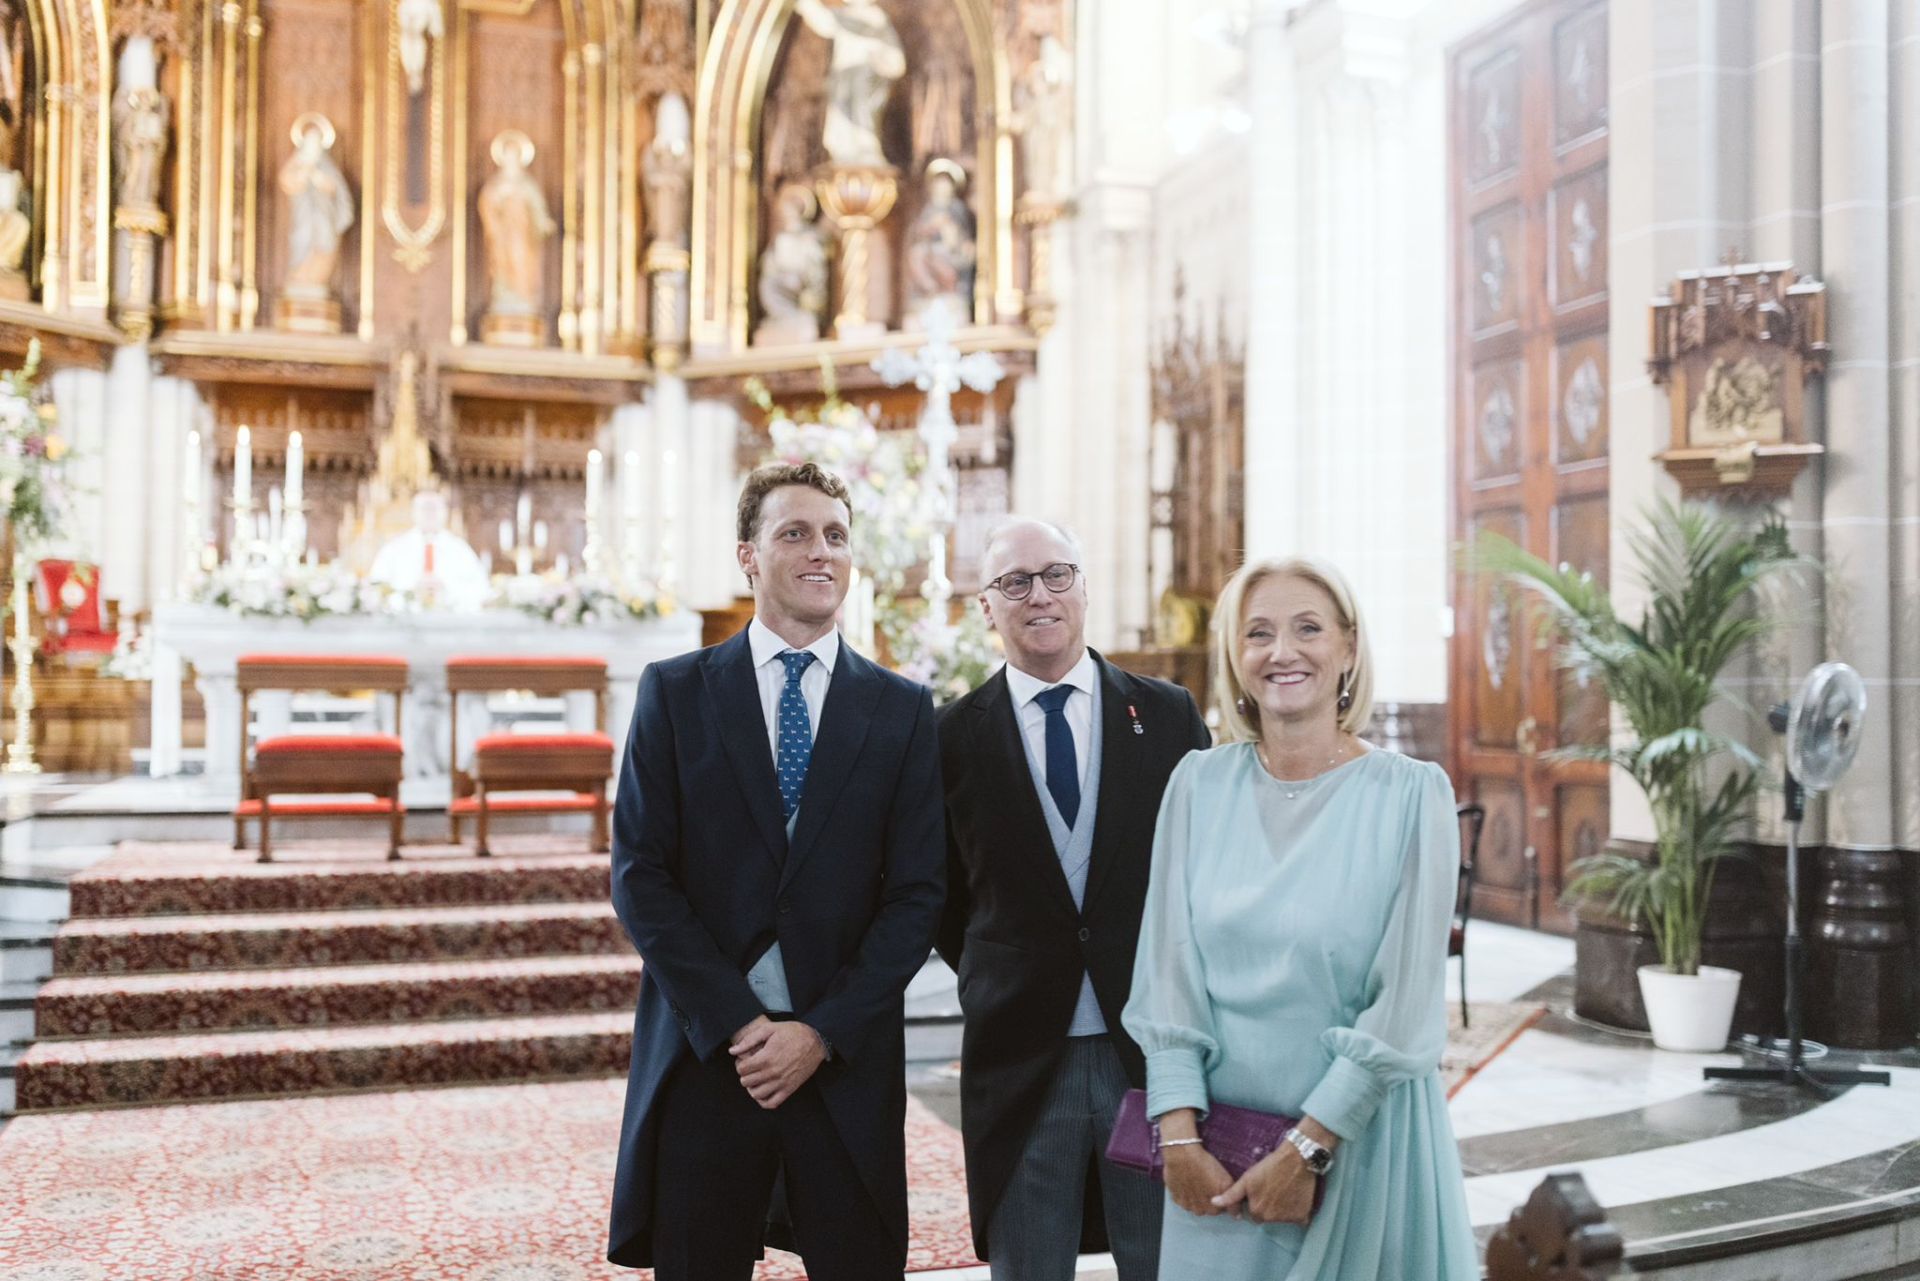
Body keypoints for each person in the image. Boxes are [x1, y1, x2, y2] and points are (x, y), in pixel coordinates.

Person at [606, 462, 946, 1280]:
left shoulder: (901, 709)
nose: (820, 550)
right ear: (748, 556)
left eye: (835, 535)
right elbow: (640, 874)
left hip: (844, 1056)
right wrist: (739, 1020)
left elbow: (918, 894)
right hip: (710, 1051)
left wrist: (820, 1030)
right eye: (794, 532)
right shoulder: (676, 691)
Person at [1122, 556, 1478, 1279]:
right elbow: (1167, 970)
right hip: (1216, 1159)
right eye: (1258, 632)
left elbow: (1406, 1002)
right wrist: (1179, 1133)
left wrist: (1309, 1147)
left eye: (1307, 628)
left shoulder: (1412, 796)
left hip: (1359, 1143)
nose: (1281, 651)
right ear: (1235, 654)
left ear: (1349, 646)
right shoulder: (1197, 782)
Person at [936, 518, 1210, 1281]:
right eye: (1015, 582)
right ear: (986, 607)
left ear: (1085, 587)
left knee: (1164, 1260)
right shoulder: (951, 738)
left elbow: (1203, 874)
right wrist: (1011, 967)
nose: (1040, 595)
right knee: (1029, 1264)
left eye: (1057, 574)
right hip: (1022, 1056)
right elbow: (942, 897)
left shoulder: (1166, 716)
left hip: (1148, 1053)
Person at [366, 489, 487, 610]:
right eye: (424, 508)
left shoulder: (460, 550)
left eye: (435, 508)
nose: (430, 513)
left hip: (449, 622)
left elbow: (482, 589)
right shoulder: (393, 549)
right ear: (413, 512)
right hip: (404, 622)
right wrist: (411, 590)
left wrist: (447, 588)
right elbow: (376, 587)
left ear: (445, 512)